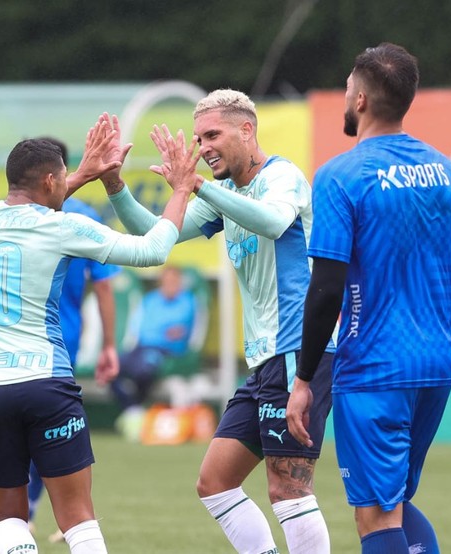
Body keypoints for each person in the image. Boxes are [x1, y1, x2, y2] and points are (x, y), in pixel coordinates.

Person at [86, 92, 336, 554]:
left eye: (213, 135)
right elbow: (154, 233)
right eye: (199, 138)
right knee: (215, 482)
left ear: (247, 131)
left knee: (289, 488)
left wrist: (197, 186)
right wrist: (115, 185)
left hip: (298, 349)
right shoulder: (227, 195)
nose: (204, 147)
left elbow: (273, 222)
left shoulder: (281, 176)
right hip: (264, 359)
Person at [285, 43, 451, 554]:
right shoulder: (446, 172)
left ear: (360, 100)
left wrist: (303, 380)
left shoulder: (341, 176)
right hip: (433, 368)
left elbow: (327, 289)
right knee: (395, 505)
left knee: (375, 515)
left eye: (347, 90)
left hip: (373, 370)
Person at [0, 118, 198, 554]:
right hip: (44, 383)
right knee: (79, 521)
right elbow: (152, 250)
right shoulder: (66, 228)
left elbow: (30, 209)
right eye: (64, 177)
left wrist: (83, 171)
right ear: (51, 180)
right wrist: (180, 190)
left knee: (9, 524)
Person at [25, 137, 123, 542]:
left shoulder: (18, 213)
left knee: (29, 430)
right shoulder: (85, 216)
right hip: (61, 341)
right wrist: (109, 346)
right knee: (58, 430)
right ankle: (74, 518)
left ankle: (31, 514)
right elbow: (103, 287)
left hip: (27, 340)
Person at [110, 265, 200, 412]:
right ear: (161, 282)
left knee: (144, 370)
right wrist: (162, 330)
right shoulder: (150, 300)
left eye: (174, 281)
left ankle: (136, 409)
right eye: (167, 281)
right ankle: (132, 408)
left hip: (166, 351)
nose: (170, 284)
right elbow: (139, 327)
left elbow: (177, 331)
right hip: (140, 346)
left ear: (179, 282)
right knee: (111, 368)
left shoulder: (188, 302)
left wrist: (160, 331)